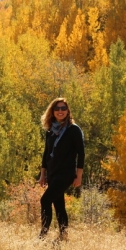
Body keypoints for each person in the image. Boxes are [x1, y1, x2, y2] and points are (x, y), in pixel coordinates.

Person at [38, 98, 84, 241]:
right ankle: (63, 236)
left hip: (66, 174)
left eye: (63, 108)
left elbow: (81, 153)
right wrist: (43, 174)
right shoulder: (51, 130)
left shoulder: (73, 130)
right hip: (52, 173)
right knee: (59, 206)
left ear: (67, 110)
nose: (60, 111)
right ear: (52, 111)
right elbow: (46, 153)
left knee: (45, 200)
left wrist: (79, 176)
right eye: (57, 108)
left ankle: (43, 235)